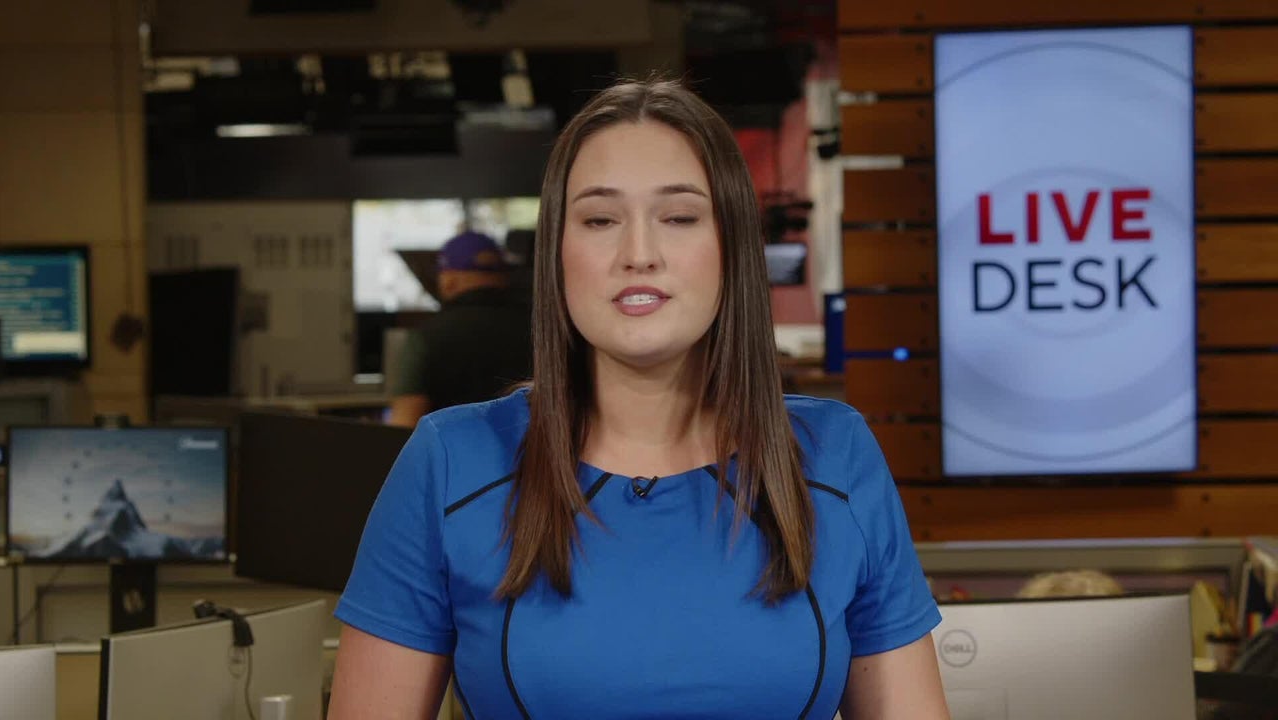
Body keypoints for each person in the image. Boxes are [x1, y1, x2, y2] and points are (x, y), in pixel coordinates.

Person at [329, 78, 949, 719]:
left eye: (679, 217)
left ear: (732, 245)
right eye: (600, 220)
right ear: (558, 251)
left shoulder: (835, 457)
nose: (639, 254)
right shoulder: (450, 463)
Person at [386, 230, 533, 428]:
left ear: (449, 280)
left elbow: (405, 423)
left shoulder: (428, 337)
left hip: (452, 448)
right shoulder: (538, 329)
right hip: (533, 447)